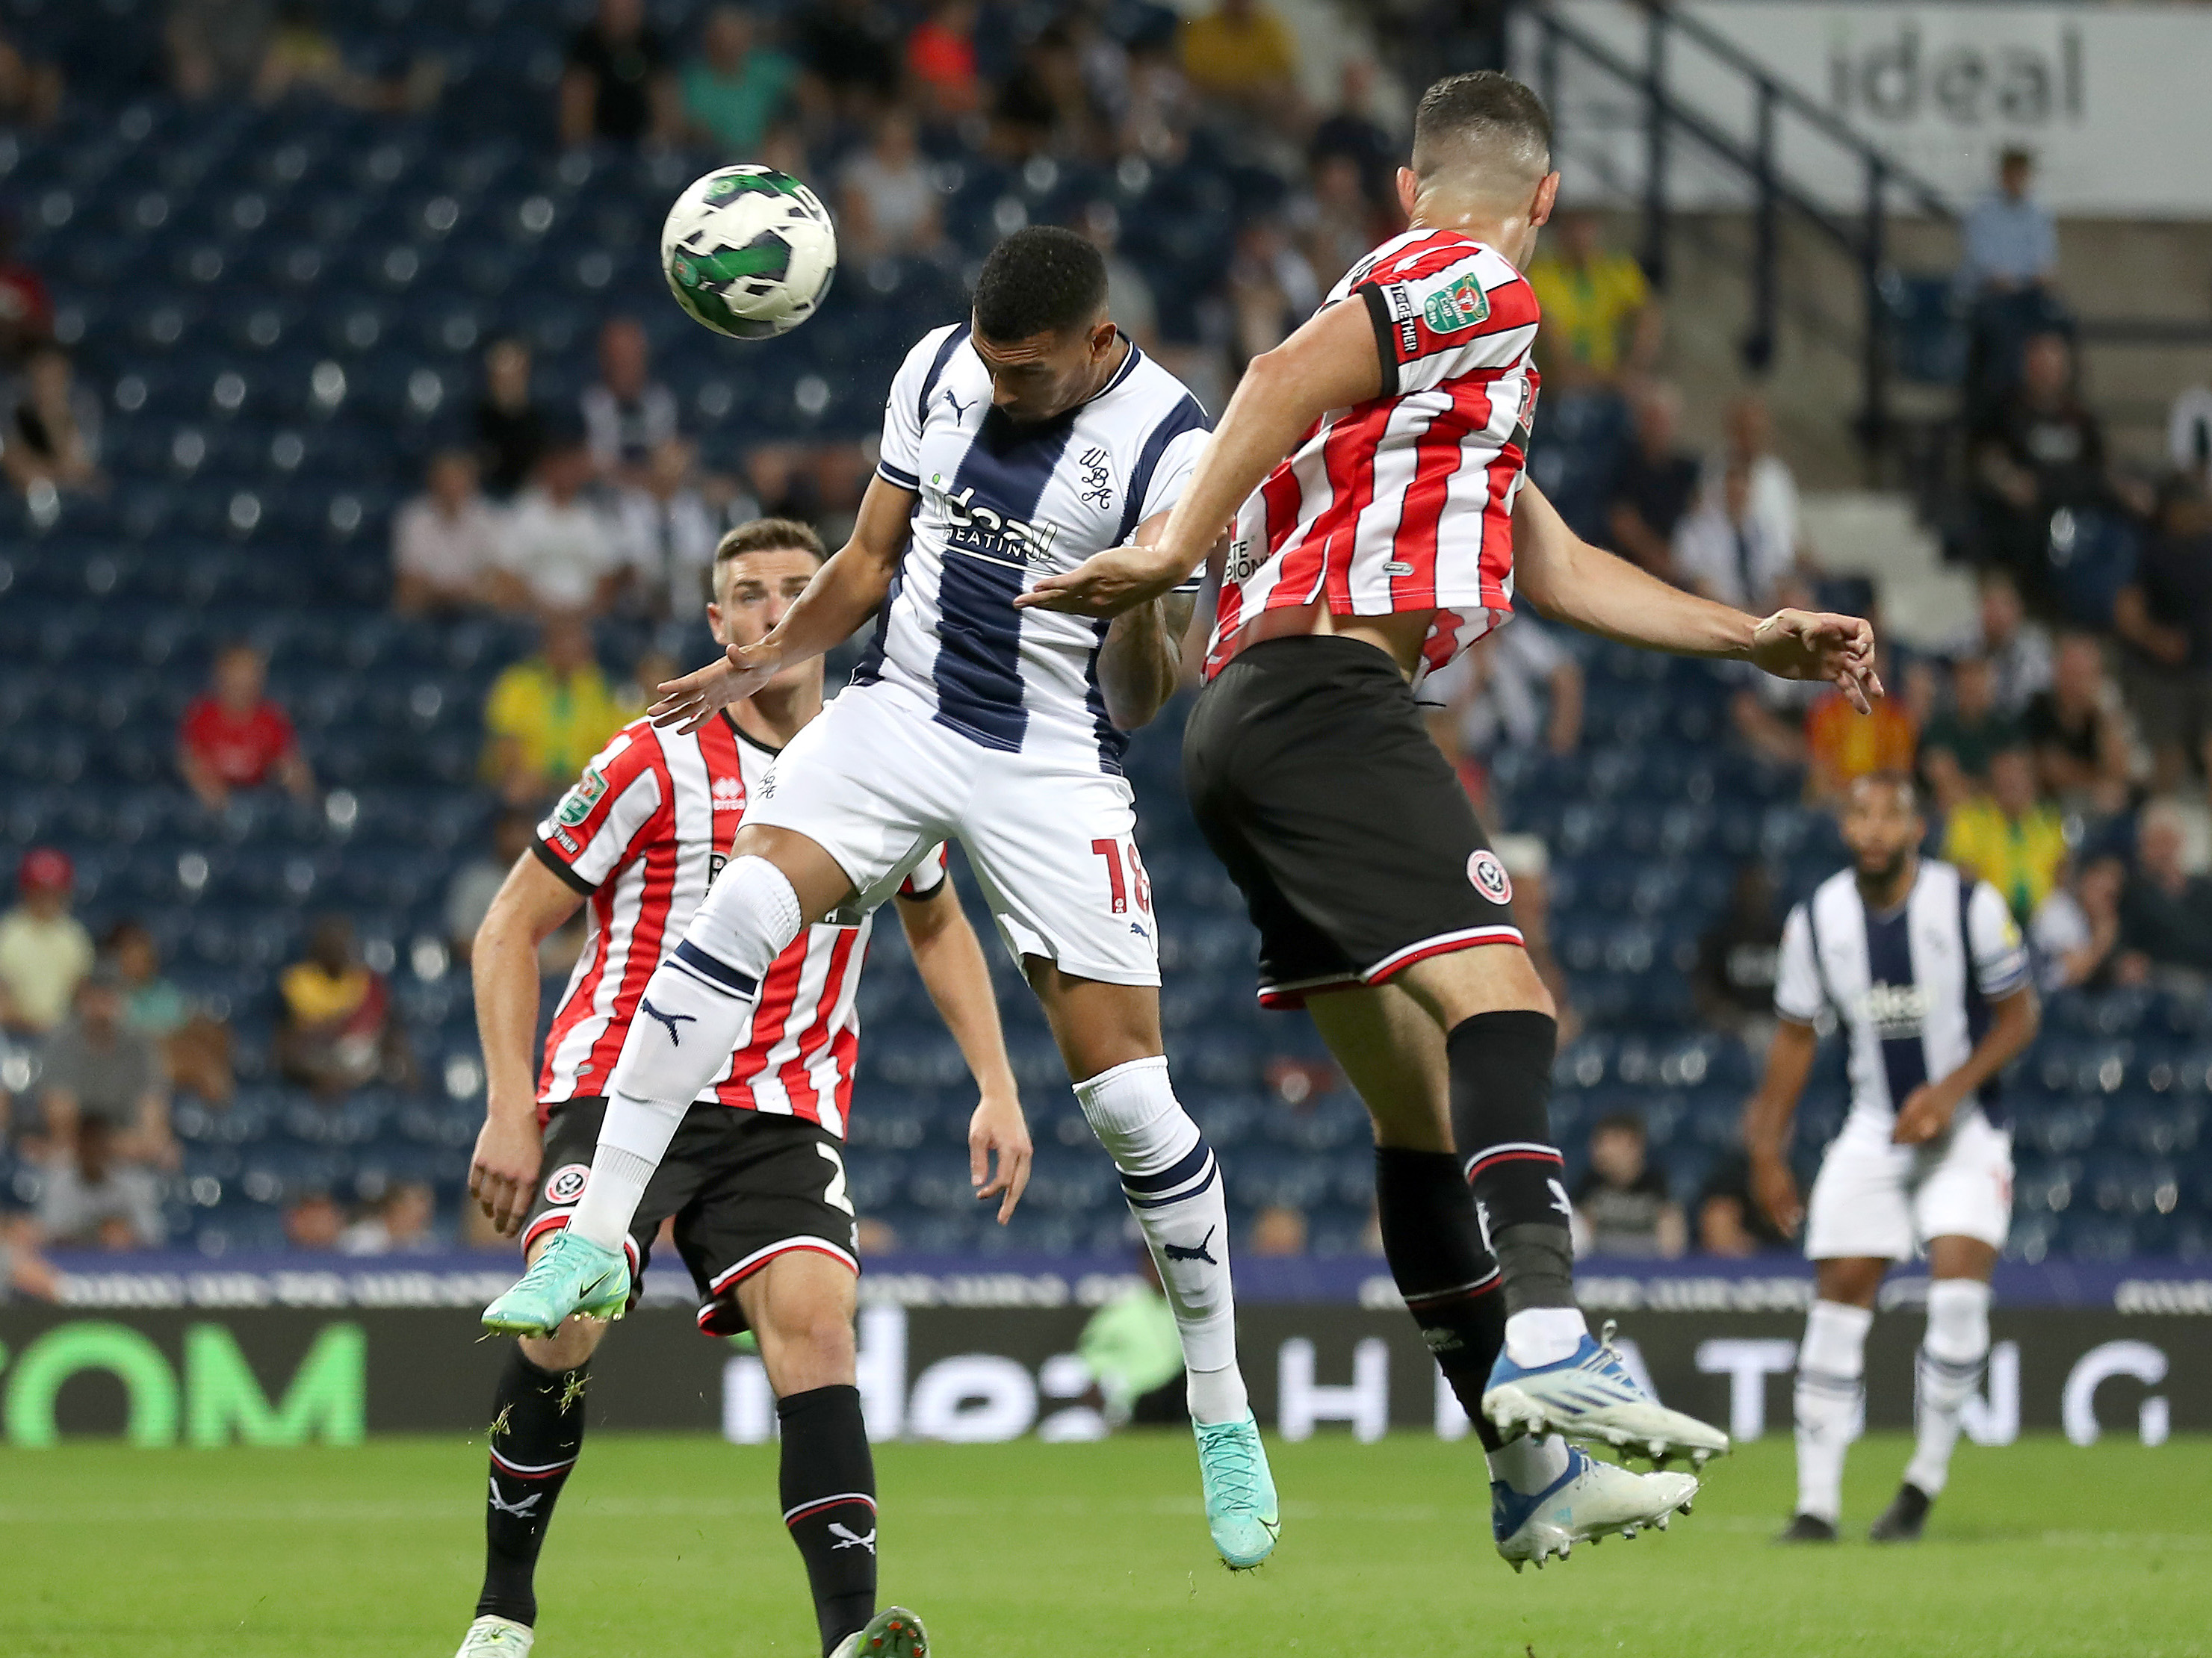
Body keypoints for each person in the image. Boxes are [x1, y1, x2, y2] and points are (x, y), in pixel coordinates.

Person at [1023, 72, 1883, 1565]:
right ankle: (1548, 1333)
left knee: (1417, 1117)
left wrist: (1753, 635)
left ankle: (1526, 1466)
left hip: (1247, 727)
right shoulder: (1472, 283)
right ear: (1530, 202)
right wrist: (1169, 548)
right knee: (1508, 1001)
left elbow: (1552, 565)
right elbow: (1283, 371)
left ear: (1415, 185)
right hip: (1323, 695)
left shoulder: (1446, 395)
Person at [483, 226, 1283, 1571]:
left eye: (1024, 372)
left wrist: (1142, 596)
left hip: (1050, 758)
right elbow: (862, 563)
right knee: (733, 911)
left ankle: (1220, 1408)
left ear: (1096, 346)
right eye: (987, 359)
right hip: (899, 713)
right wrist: (762, 668)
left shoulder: (1174, 451)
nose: (998, 385)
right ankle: (593, 1239)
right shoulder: (938, 368)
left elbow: (1146, 697)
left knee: (1132, 1103)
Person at [453, 519, 1022, 1658]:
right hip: (618, 1094)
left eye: (795, 591)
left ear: (831, 610)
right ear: (718, 627)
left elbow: (938, 916)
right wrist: (512, 1105)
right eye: (748, 596)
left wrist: (997, 1085)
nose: (772, 611)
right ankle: (503, 1610)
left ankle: (852, 1637)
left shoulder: (881, 769)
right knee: (567, 1321)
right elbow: (510, 925)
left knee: (818, 1325)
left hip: (782, 1113)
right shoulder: (649, 757)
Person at [1745, 772, 2038, 1544]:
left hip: (1967, 1125)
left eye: (1889, 816)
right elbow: (1795, 1034)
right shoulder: (1818, 919)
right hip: (1875, 1123)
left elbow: (2019, 1017)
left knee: (1956, 1288)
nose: (1873, 829)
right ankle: (1815, 1506)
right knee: (1838, 1295)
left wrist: (1949, 1092)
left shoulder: (1969, 904)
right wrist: (1767, 1147)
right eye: (1860, 814)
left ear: (1917, 828)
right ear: (1845, 828)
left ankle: (1921, 1484)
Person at [2113, 478, 2212, 810]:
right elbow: (2127, 610)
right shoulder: (2152, 550)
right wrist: (2156, 639)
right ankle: (2160, 832)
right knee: (2168, 758)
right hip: (2161, 674)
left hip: (2207, 667)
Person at [37, 966, 176, 1170]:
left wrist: (102, 1146)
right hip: (74, 1165)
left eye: (109, 996)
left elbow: (154, 1132)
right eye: (96, 996)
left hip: (127, 1163)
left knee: (168, 1157)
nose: (102, 1006)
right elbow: (62, 1129)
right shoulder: (62, 1043)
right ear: (83, 1000)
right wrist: (125, 1145)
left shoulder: (140, 1047)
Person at [481, 615, 629, 806]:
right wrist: (523, 774)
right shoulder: (518, 683)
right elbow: (505, 742)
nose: (568, 651)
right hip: (530, 781)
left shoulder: (606, 690)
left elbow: (617, 749)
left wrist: (584, 782)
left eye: (576, 645)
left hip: (586, 784)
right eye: (562, 644)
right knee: (516, 793)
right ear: (547, 647)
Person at [273, 916, 414, 1099]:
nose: (336, 950)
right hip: (314, 1058)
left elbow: (386, 1030)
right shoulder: (297, 982)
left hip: (359, 1060)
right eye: (329, 945)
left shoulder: (367, 983)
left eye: (341, 944)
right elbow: (287, 1041)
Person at [489, 438, 626, 617]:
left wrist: (584, 612)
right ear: (546, 469)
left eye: (570, 468)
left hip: (584, 617)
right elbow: (506, 574)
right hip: (532, 616)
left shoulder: (592, 518)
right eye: (559, 467)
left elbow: (606, 577)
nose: (565, 474)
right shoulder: (524, 516)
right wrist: (539, 608)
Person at [1525, 208, 1658, 387]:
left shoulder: (1616, 268)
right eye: (1572, 227)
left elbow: (1647, 313)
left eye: (1586, 226)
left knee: (1659, 402)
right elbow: (1545, 325)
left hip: (1612, 372)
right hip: (1559, 377)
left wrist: (1634, 365)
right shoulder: (1542, 272)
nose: (1579, 236)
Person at [178, 642, 316, 813]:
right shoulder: (201, 716)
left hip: (259, 800)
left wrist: (301, 793)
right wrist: (209, 790)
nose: (242, 682)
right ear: (221, 675)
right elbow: (189, 762)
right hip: (214, 803)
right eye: (236, 673)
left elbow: (289, 764)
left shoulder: (272, 719)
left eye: (249, 673)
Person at [106, 920, 232, 1104]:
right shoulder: (105, 995)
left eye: (144, 956)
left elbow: (184, 1022)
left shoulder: (164, 992)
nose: (140, 963)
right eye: (132, 956)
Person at [1941, 744, 2066, 926]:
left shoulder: (2049, 820)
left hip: (2042, 918)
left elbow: (2061, 873)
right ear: (1993, 781)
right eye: (2005, 778)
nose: (2012, 784)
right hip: (1989, 916)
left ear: (2032, 781)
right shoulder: (1969, 818)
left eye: (2018, 776)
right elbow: (1963, 875)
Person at [2022, 632, 2129, 816]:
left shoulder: (2101, 715)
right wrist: (2096, 780)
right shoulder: (2038, 707)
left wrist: (2108, 715)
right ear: (2056, 671)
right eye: (2070, 672)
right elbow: (2052, 771)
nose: (2075, 682)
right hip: (2043, 805)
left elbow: (2118, 773)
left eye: (2083, 674)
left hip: (2091, 803)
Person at [613, 437, 722, 618]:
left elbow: (704, 562)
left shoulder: (693, 507)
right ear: (651, 467)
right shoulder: (629, 506)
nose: (672, 472)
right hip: (639, 610)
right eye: (666, 464)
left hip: (688, 608)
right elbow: (624, 563)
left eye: (679, 466)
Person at [1671, 459, 1794, 614]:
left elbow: (1779, 576)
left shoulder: (1763, 529)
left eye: (1743, 487)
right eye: (1732, 488)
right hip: (1718, 612)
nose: (1738, 494)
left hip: (1763, 613)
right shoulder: (1695, 529)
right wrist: (1740, 613)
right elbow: (1698, 584)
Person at [1605, 382, 1700, 578]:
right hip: (1628, 564)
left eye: (1664, 421)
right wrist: (1657, 556)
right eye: (1652, 419)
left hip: (1677, 563)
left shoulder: (1686, 471)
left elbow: (1696, 518)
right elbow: (1621, 521)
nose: (1658, 428)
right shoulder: (1624, 462)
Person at [2113, 801, 2212, 987]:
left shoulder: (2205, 888)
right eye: (2154, 843)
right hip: (2161, 981)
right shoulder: (2133, 892)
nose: (2162, 851)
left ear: (2180, 842)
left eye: (2167, 841)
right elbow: (2124, 946)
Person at [1803, 642, 1916, 801]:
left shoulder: (1897, 717)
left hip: (1880, 801)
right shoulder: (1824, 712)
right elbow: (1819, 775)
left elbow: (1900, 775)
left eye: (1873, 660)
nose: (1865, 669)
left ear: (1885, 666)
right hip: (1834, 803)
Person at [0, 848, 93, 1040]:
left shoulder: (73, 936)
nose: (48, 899)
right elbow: (3, 1000)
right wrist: (34, 1025)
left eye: (54, 891)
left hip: (64, 1037)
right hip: (13, 1035)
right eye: (41, 891)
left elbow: (83, 994)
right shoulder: (8, 933)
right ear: (27, 891)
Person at [681, 4, 797, 156]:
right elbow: (695, 133)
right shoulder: (695, 81)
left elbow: (811, 93)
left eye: (739, 35)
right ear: (711, 38)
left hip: (768, 154)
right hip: (718, 161)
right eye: (725, 35)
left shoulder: (764, 66)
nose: (733, 43)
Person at [394, 450, 500, 615]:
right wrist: (445, 593)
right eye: (446, 479)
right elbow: (410, 575)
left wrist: (466, 592)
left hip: (476, 603)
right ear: (434, 482)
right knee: (407, 593)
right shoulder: (414, 518)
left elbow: (494, 572)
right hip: (429, 603)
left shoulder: (488, 516)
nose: (452, 486)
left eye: (458, 479)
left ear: (471, 482)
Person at [560, 0, 677, 148]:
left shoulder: (653, 46)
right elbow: (575, 117)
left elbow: (667, 107)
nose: (622, 13)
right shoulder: (585, 48)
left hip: (645, 148)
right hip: (597, 150)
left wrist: (656, 147)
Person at [1693, 863, 1784, 1051]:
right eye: (1750, 889)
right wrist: (1728, 1016)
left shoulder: (1783, 937)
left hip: (1776, 1024)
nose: (1755, 896)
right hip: (1734, 1028)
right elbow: (1705, 988)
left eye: (1759, 889)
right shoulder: (1721, 939)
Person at [37, 1116, 165, 1249]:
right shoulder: (59, 1184)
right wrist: (96, 1236)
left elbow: (152, 1234)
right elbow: (47, 1235)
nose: (92, 1150)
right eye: (87, 1142)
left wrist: (126, 1234)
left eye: (98, 1143)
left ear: (107, 1146)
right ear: (77, 1146)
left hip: (124, 1263)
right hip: (74, 1263)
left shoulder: (132, 1184)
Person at [580, 318, 678, 489]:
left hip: (652, 494)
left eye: (631, 354)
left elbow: (667, 457)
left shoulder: (661, 401)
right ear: (604, 359)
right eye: (617, 355)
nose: (624, 363)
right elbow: (593, 463)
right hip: (601, 498)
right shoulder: (590, 403)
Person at [1571, 1113, 1683, 1259]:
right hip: (1601, 1270)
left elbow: (1672, 1247)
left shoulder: (1657, 1184)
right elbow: (1579, 1244)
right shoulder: (1588, 1186)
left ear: (1635, 1146)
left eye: (1613, 1141)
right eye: (1599, 1142)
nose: (1602, 1150)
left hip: (1648, 1269)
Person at [1918, 654, 2019, 814]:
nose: (1972, 686)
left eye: (1979, 679)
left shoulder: (2004, 730)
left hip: (1996, 813)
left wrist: (1970, 786)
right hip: (1949, 811)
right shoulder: (1939, 727)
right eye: (1966, 679)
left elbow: (2010, 780)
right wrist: (1984, 785)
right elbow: (1941, 778)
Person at [838, 110, 944, 263]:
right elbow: (858, 225)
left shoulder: (922, 171)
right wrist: (894, 245)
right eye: (891, 138)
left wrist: (910, 245)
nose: (897, 145)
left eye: (903, 139)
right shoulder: (859, 170)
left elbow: (931, 225)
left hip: (915, 250)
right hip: (873, 251)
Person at [1956, 146, 2057, 302]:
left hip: (2028, 293)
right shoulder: (1982, 213)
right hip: (1988, 294)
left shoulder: (2038, 214)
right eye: (2012, 174)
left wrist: (2041, 277)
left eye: (2021, 174)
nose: (2017, 180)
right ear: (2003, 175)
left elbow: (2044, 258)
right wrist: (2003, 280)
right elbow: (1982, 261)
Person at [1178, 0, 1301, 125]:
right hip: (1211, 108)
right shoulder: (1200, 29)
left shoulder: (1274, 32)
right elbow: (1192, 78)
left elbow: (1286, 81)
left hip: (1261, 112)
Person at [1, 345, 102, 495]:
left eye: (55, 378)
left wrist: (53, 415)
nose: (47, 385)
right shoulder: (10, 402)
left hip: (67, 496)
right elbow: (18, 469)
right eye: (40, 376)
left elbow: (80, 469)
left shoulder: (83, 406)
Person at [446, 811, 539, 966]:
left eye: (526, 832)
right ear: (500, 834)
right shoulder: (476, 881)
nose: (520, 840)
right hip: (495, 970)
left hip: (548, 972)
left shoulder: (547, 880)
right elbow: (462, 942)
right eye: (514, 832)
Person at [476, 338, 547, 500]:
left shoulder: (541, 420)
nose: (507, 379)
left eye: (514, 372)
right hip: (483, 502)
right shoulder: (476, 418)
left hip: (532, 501)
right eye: (501, 372)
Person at [340, 1180, 437, 1254]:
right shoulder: (360, 1239)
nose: (425, 1221)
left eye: (427, 1215)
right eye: (418, 1217)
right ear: (396, 1208)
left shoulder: (426, 1244)